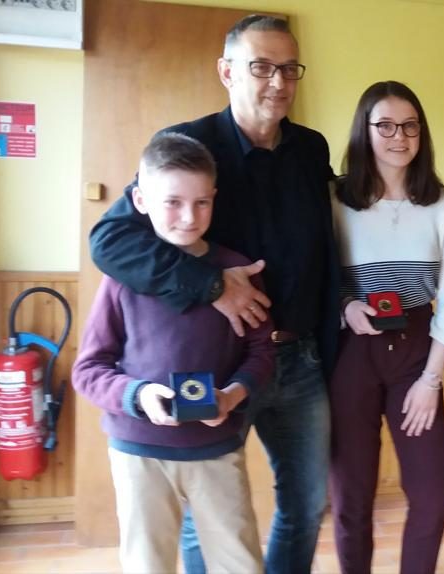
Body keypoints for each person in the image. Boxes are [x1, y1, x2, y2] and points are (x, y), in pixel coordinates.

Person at [88, 15, 339, 573]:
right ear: (227, 72)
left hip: (299, 360)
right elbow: (110, 240)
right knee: (205, 516)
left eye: (289, 69)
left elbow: (325, 243)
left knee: (306, 506)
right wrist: (213, 285)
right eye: (261, 67)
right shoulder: (188, 145)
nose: (278, 82)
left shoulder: (311, 148)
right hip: (219, 365)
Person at [72, 133, 272, 573]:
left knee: (240, 563)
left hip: (217, 449)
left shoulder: (237, 271)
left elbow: (261, 354)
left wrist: (234, 395)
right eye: (173, 202)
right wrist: (138, 395)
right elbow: (88, 369)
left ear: (215, 198)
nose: (188, 217)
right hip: (138, 451)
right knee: (148, 564)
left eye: (202, 203)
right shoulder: (122, 277)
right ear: (140, 201)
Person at [328, 80, 444, 574]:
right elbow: (320, 277)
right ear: (364, 131)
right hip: (351, 353)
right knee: (351, 495)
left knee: (431, 495)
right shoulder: (335, 199)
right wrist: (346, 306)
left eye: (410, 126)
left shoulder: (442, 204)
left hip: (416, 353)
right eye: (385, 125)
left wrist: (431, 379)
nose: (399, 137)